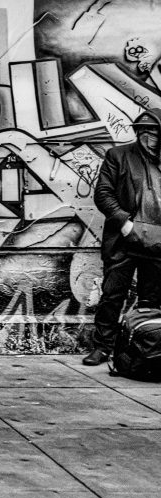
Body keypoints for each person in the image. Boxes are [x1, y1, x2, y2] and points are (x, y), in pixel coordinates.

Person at [84, 108, 161, 366]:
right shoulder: (118, 155)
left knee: (152, 300)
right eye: (143, 130)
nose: (148, 136)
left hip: (157, 243)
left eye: (153, 130)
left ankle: (145, 350)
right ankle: (103, 347)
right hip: (123, 240)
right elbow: (103, 193)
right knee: (112, 296)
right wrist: (125, 224)